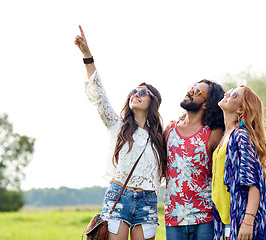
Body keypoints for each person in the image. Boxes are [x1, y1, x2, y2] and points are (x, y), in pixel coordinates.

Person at [75, 25, 166, 240]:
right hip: (119, 196)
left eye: (143, 92)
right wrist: (88, 56)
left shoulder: (161, 136)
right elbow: (99, 96)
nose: (136, 94)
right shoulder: (117, 125)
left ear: (153, 101)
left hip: (148, 201)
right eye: (134, 91)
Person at [164, 80, 225, 240]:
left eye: (197, 91)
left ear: (206, 104)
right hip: (174, 217)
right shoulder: (169, 130)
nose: (190, 91)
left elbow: (222, 175)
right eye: (191, 88)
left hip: (205, 217)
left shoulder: (213, 133)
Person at [212, 86, 266, 240]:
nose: (226, 93)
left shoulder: (241, 137)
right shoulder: (225, 135)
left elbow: (254, 184)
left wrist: (248, 221)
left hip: (241, 220)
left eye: (233, 95)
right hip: (225, 220)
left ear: (241, 109)